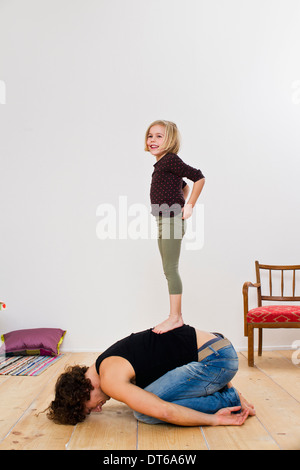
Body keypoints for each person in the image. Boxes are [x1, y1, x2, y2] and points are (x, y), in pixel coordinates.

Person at [47, 324, 255, 426]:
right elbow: (177, 353)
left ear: (84, 390)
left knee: (144, 412)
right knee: (145, 399)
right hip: (217, 349)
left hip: (217, 359)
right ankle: (226, 389)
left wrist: (214, 420)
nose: (98, 409)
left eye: (90, 408)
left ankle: (228, 399)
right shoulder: (105, 361)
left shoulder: (109, 378)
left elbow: (165, 411)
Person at [145, 120, 205, 333]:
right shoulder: (161, 165)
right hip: (162, 220)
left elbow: (198, 178)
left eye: (159, 136)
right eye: (150, 136)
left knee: (171, 269)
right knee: (167, 268)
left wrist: (188, 207)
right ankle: (174, 316)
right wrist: (180, 201)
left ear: (170, 140)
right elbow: (184, 186)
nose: (153, 140)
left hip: (171, 220)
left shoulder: (170, 159)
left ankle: (175, 317)